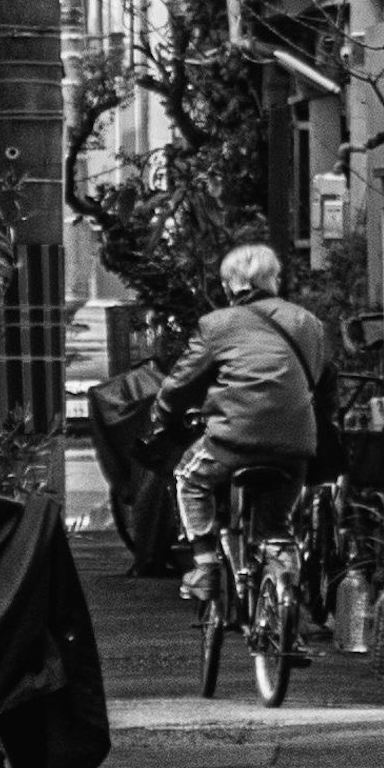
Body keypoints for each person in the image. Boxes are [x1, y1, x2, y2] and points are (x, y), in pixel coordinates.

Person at [146, 239, 331, 593]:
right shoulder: (308, 323)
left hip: (235, 439)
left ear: (230, 284)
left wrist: (164, 418)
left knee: (189, 477)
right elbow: (319, 380)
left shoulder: (217, 325)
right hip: (296, 443)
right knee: (275, 525)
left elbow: (180, 384)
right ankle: (285, 598)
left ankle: (205, 568)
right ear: (273, 279)